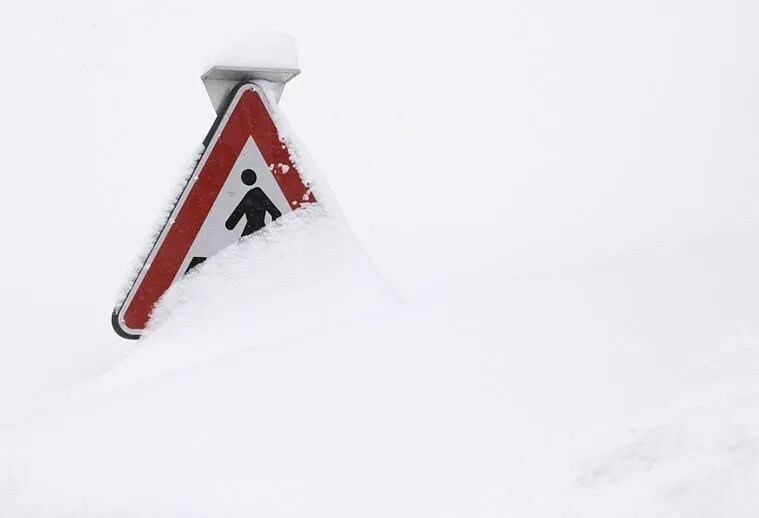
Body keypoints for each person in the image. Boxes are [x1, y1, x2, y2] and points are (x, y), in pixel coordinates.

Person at [225, 169, 282, 237]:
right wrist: (274, 230)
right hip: (261, 231)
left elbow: (231, 223)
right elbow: (276, 214)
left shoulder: (249, 197)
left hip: (251, 231)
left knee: (244, 245)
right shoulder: (259, 195)